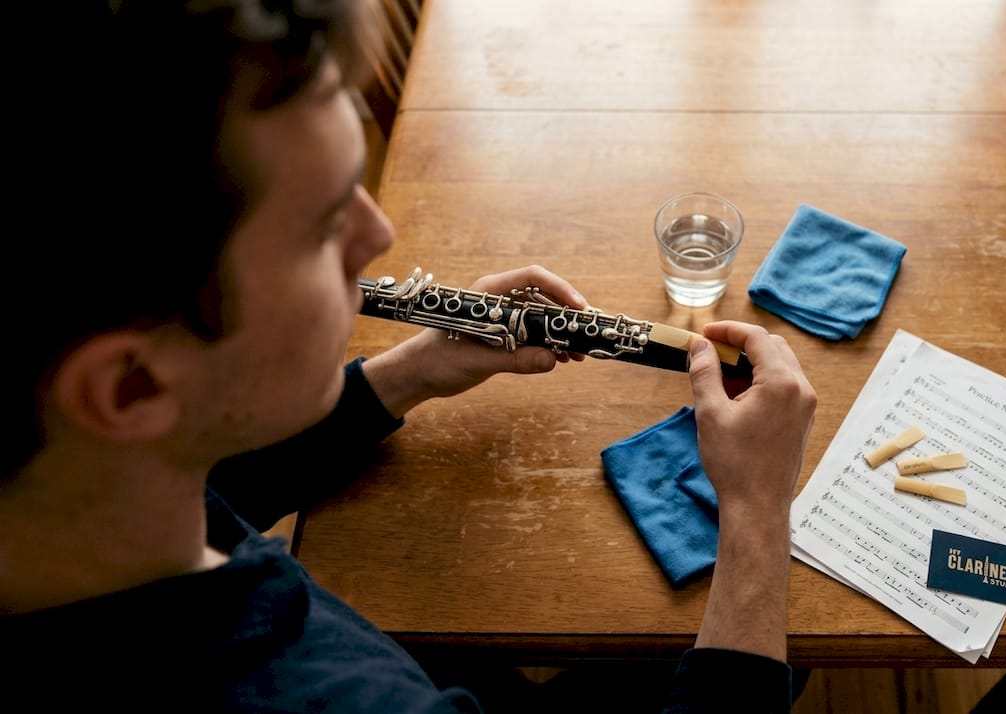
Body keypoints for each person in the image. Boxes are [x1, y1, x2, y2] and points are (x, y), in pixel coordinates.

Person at [0, 1, 817, 712]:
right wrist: (753, 516)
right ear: (131, 382)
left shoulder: (75, 497)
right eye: (322, 229)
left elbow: (206, 484)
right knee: (796, 652)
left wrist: (412, 371)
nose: (378, 236)